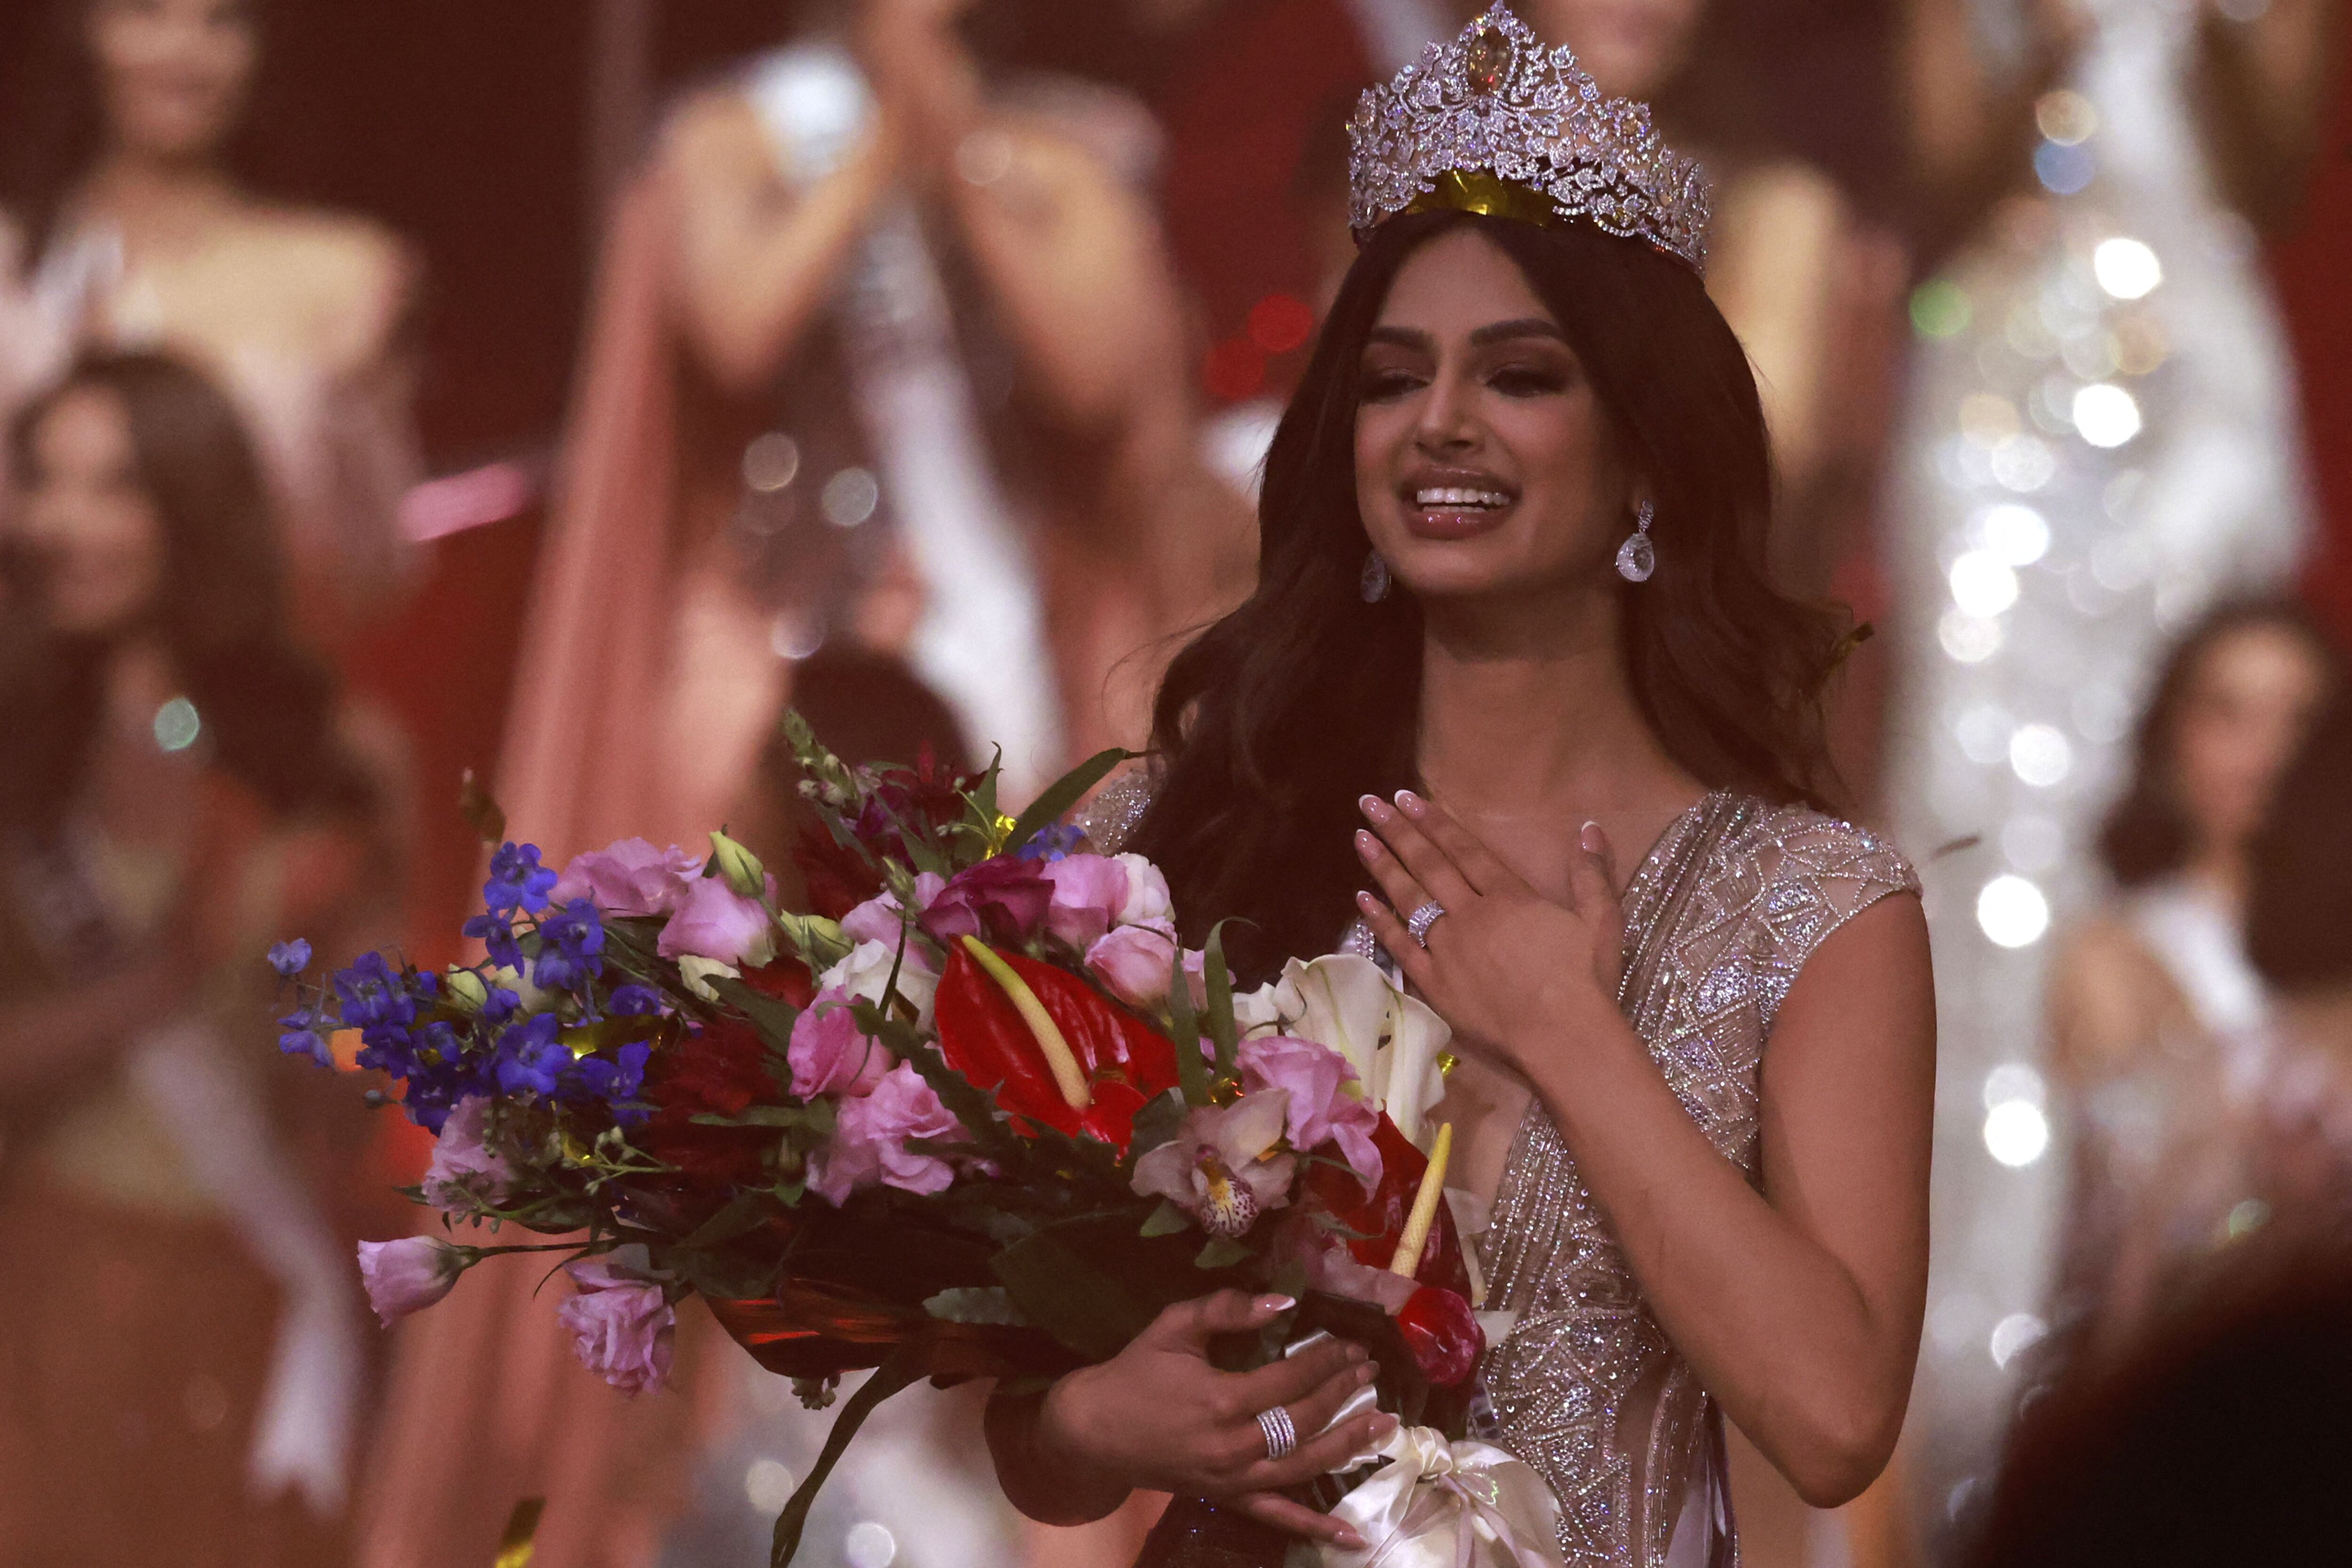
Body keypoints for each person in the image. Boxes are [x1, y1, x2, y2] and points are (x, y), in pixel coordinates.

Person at [985, 11, 1936, 1565]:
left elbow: (1835, 1419)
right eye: (1391, 380)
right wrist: (1095, 1421)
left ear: (1645, 463)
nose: (1440, 424)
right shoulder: (1180, 840)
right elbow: (1034, 1424)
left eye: (1522, 375)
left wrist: (1569, 1030)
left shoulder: (1813, 905)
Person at [1879, 0, 2334, 1535]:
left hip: (2192, 365)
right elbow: (1941, 167)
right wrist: (2055, 51)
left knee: (2220, 766)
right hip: (2005, 357)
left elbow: (2274, 170)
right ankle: (1968, 1386)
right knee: (1988, 838)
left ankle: (2200, 1334)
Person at [0, 351, 405, 1567]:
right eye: (42, 481)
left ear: (190, 502)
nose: (65, 523)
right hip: (44, 1280)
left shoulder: (332, 756)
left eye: (113, 486)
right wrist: (156, 981)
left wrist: (349, 1009)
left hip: (246, 1280)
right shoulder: (20, 743)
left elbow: (352, 1089)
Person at [0, 0, 422, 658]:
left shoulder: (346, 273)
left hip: (249, 714)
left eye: (222, 20)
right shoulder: (13, 267)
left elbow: (378, 573)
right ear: (83, 28)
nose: (182, 52)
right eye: (146, 11)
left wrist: (359, 402)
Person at [2040, 600, 2339, 1365]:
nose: (2265, 751)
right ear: (2171, 738)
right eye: (2228, 712)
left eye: (2299, 719)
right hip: (2200, 1367)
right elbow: (2134, 1208)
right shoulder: (2116, 952)